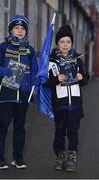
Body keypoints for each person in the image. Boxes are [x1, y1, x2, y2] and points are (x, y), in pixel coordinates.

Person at [0, 15, 38, 170]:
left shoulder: (30, 50)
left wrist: (37, 80)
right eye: (17, 28)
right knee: (2, 127)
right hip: (6, 94)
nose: (20, 31)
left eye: (23, 29)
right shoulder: (2, 47)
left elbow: (35, 71)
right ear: (11, 30)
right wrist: (5, 71)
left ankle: (18, 159)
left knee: (20, 128)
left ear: (26, 32)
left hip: (23, 95)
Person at [44, 25, 89, 171]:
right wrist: (57, 78)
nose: (65, 44)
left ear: (71, 44)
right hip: (60, 104)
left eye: (68, 42)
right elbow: (46, 82)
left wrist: (82, 77)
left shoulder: (77, 60)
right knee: (59, 132)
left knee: (73, 131)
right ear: (57, 43)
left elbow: (85, 79)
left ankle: (71, 158)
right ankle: (60, 156)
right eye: (62, 41)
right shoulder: (52, 62)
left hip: (75, 104)